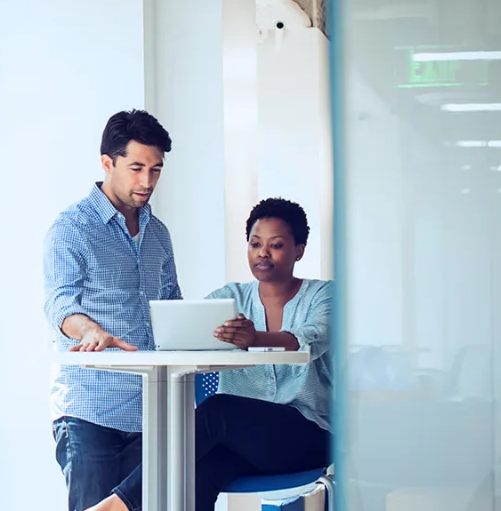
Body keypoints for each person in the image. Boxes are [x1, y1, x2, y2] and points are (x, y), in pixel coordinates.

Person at [86, 197, 333, 511]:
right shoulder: (228, 299)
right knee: (196, 476)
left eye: (276, 245)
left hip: (308, 436)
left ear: (299, 250)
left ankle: (115, 505)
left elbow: (312, 338)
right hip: (245, 445)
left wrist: (255, 338)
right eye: (255, 244)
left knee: (217, 410)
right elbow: (182, 333)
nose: (263, 254)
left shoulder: (323, 295)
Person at [44, 109, 181, 511]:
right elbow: (60, 302)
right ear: (108, 163)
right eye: (136, 168)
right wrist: (87, 330)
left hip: (151, 411)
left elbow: (171, 307)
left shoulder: (158, 234)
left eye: (156, 170)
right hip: (91, 411)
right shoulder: (72, 228)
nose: (147, 181)